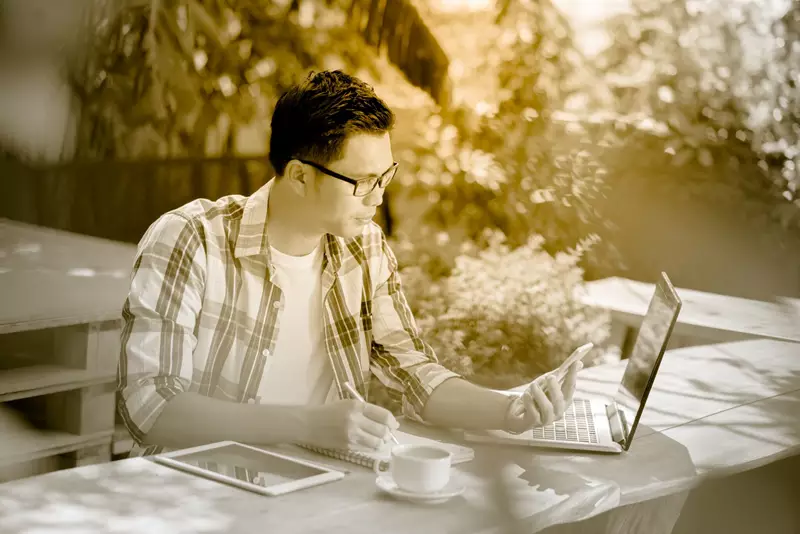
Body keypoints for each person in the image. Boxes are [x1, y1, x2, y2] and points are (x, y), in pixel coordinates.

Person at [117, 70, 582, 457]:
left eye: (386, 177)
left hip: (321, 488)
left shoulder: (364, 248)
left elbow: (414, 374)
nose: (379, 198)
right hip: (199, 489)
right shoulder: (192, 238)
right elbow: (150, 406)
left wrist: (510, 410)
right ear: (299, 175)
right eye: (362, 182)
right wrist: (304, 424)